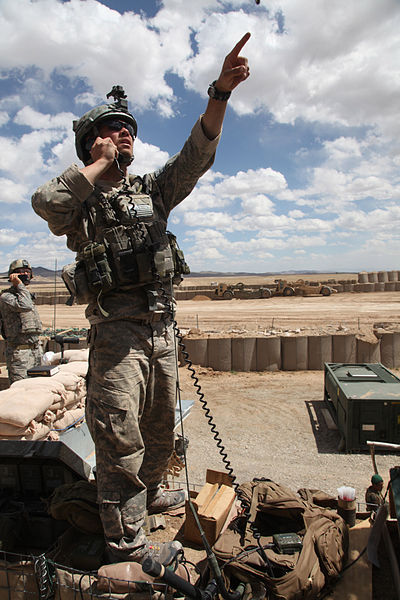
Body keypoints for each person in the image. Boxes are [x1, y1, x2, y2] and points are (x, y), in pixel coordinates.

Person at [32, 32, 251, 564]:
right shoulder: (83, 200)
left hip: (162, 330)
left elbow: (196, 156)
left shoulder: (151, 191)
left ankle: (150, 497)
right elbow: (46, 202)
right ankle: (127, 543)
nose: (126, 131)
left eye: (129, 127)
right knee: (118, 437)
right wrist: (98, 166)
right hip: (118, 334)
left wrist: (219, 93)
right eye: (113, 127)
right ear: (92, 140)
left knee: (159, 432)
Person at [0, 259, 43, 384]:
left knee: (38, 387)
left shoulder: (24, 295)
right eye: (21, 272)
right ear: (13, 275)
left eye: (28, 272)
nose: (25, 274)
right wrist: (19, 285)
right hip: (19, 354)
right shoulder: (6, 297)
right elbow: (25, 305)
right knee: (22, 390)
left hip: (35, 351)